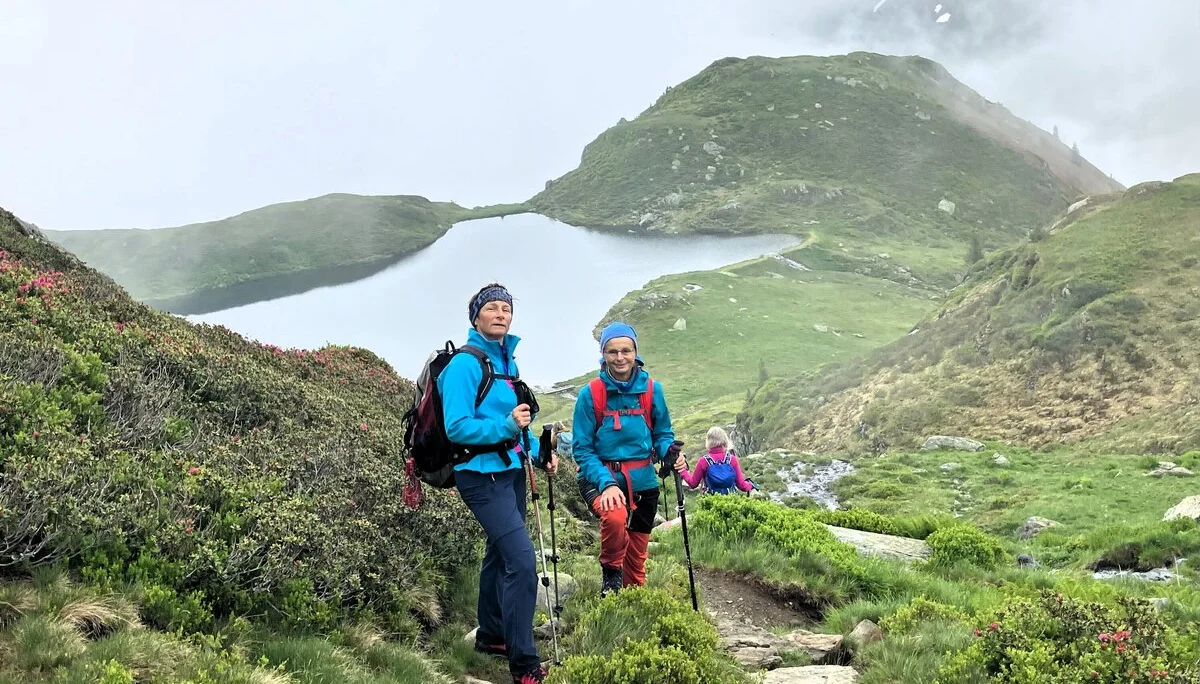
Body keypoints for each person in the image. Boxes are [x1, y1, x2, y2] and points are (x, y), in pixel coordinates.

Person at [440, 283, 558, 684]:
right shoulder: (464, 365)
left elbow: (519, 419)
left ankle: (491, 634)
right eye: (491, 308)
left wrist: (539, 455)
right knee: (522, 562)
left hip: (509, 470)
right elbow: (456, 427)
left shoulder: (507, 360)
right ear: (476, 317)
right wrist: (505, 426)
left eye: (505, 308)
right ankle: (524, 664)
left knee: (499, 553)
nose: (500, 314)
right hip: (478, 475)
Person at [571, 322, 686, 597]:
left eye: (626, 351)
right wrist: (607, 483)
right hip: (599, 478)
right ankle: (611, 574)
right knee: (614, 516)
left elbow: (662, 432)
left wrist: (670, 451)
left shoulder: (651, 390)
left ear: (635, 352)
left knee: (637, 552)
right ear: (603, 355)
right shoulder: (591, 394)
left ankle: (633, 599)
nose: (619, 358)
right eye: (612, 352)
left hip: (644, 480)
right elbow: (582, 450)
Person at [680, 427, 755, 495]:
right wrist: (751, 485)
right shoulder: (732, 459)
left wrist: (683, 471)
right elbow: (742, 485)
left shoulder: (703, 461)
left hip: (710, 503)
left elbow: (693, 484)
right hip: (731, 502)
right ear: (725, 440)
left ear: (708, 441)